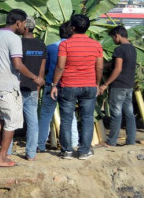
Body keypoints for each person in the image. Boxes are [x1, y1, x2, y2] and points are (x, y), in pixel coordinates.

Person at [0, 9, 44, 167]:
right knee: (12, 122)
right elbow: (18, 65)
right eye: (24, 24)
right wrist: (35, 77)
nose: (24, 27)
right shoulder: (13, 39)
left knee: (6, 118)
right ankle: (2, 157)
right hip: (6, 86)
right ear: (19, 23)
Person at [51, 14, 103, 160]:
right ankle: (84, 151)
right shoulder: (96, 45)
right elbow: (99, 68)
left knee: (67, 119)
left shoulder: (65, 44)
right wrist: (97, 84)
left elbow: (60, 66)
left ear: (72, 28)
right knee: (87, 118)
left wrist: (54, 84)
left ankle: (67, 151)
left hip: (69, 85)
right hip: (89, 85)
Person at [38, 22, 79, 152]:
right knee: (69, 115)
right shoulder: (74, 47)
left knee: (45, 115)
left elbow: (45, 68)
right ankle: (73, 143)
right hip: (69, 86)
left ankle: (40, 144)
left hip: (51, 85)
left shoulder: (50, 47)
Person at [99, 26, 137, 147]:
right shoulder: (132, 49)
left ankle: (111, 141)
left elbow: (118, 68)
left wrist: (105, 84)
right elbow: (117, 64)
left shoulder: (119, 50)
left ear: (117, 36)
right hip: (129, 86)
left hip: (118, 85)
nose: (113, 40)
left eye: (113, 37)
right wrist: (102, 66)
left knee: (116, 113)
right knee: (129, 113)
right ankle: (131, 141)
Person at [19, 17, 47, 161]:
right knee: (33, 122)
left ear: (25, 28)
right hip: (33, 87)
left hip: (17, 87)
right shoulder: (41, 45)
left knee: (10, 121)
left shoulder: (17, 43)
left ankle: (8, 151)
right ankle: (31, 154)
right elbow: (42, 69)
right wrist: (37, 85)